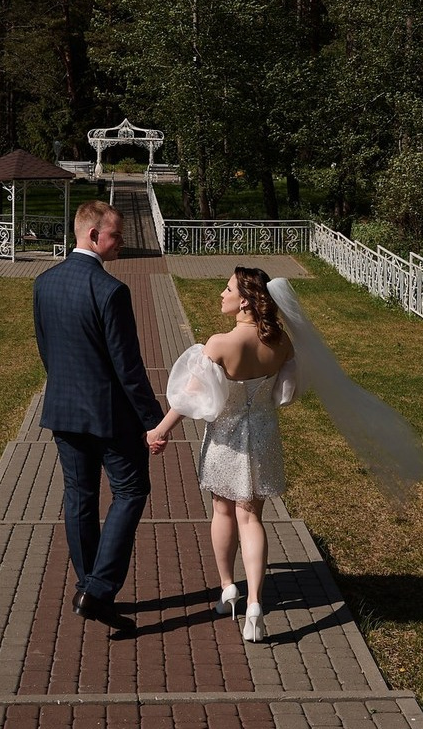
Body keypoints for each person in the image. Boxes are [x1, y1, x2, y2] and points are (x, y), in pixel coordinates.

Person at [33, 200, 167, 636]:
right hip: (111, 418)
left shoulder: (44, 283)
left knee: (80, 496)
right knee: (131, 491)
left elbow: (46, 349)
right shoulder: (111, 291)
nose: (122, 242)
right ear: (93, 235)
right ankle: (99, 588)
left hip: (64, 409)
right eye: (116, 235)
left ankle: (89, 585)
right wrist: (154, 420)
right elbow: (128, 368)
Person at [145, 266, 295, 642]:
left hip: (227, 438)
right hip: (262, 435)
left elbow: (189, 399)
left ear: (244, 300)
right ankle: (256, 603)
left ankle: (228, 586)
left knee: (223, 510)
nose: (221, 294)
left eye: (226, 288)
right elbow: (286, 393)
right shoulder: (283, 343)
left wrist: (160, 431)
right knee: (253, 517)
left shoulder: (219, 344)